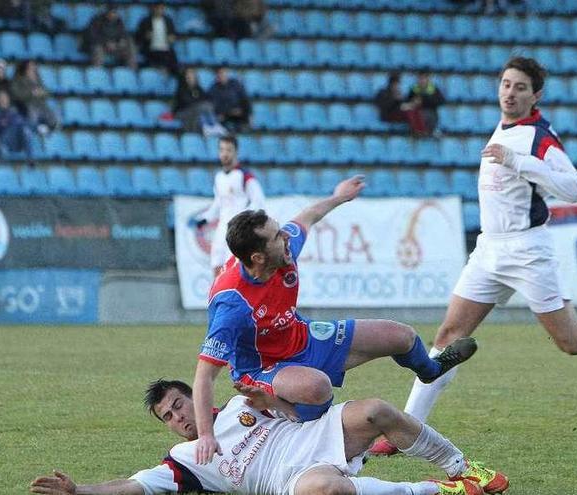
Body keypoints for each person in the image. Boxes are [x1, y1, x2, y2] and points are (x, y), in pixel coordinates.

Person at [369, 57, 577, 456]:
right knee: (449, 336)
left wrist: (520, 162)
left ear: (536, 95)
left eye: (519, 87)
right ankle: (408, 432)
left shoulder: (539, 137)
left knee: (573, 341)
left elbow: (571, 188)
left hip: (527, 250)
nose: (510, 92)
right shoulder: (504, 126)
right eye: (505, 84)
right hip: (489, 249)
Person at [193, 175, 478, 465]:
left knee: (402, 337)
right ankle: (281, 412)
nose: (286, 236)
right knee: (317, 389)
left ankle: (430, 370)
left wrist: (339, 196)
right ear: (258, 257)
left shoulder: (284, 252)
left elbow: (308, 216)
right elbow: (205, 375)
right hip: (263, 367)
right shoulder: (232, 303)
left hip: (302, 336)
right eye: (277, 236)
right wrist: (206, 435)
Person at [29, 379, 508, 495]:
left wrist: (271, 398)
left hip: (323, 434)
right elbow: (133, 486)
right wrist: (81, 491)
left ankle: (464, 470)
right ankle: (438, 491)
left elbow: (306, 406)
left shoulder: (241, 401)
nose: (177, 417)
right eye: (168, 417)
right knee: (324, 489)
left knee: (379, 409)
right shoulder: (183, 459)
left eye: (179, 404)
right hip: (296, 477)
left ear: (195, 396)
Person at [195, 135, 266, 278]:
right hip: (222, 227)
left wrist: (244, 220)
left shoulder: (245, 176)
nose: (225, 154)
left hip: (238, 231)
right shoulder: (219, 177)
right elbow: (218, 204)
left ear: (236, 152)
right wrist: (205, 218)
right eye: (222, 150)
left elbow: (258, 201)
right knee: (216, 264)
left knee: (234, 266)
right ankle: (219, 298)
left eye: (229, 150)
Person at [10, 60, 59, 134]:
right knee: (32, 117)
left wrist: (43, 93)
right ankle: (36, 131)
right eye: (30, 67)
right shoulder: (18, 79)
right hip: (27, 104)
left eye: (34, 66)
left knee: (54, 118)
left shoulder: (38, 79)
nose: (33, 68)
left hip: (41, 104)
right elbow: (16, 94)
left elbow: (46, 92)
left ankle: (45, 130)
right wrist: (32, 93)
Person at [375, 72, 428, 137]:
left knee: (414, 110)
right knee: (409, 112)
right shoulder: (383, 92)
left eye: (398, 84)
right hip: (387, 115)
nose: (397, 86)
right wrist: (395, 100)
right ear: (391, 84)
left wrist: (409, 103)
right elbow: (385, 106)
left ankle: (422, 130)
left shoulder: (398, 93)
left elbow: (402, 104)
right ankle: (417, 131)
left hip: (398, 113)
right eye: (395, 84)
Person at [0, 89, 34, 162]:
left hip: (15, 140)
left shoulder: (13, 110)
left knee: (26, 130)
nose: (2, 100)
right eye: (0, 98)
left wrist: (8, 122)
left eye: (4, 98)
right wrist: (9, 122)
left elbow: (21, 121)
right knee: (2, 149)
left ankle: (30, 159)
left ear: (8, 99)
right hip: (1, 141)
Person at [135, 3, 179, 75]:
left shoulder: (168, 21)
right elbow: (138, 37)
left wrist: (172, 38)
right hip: (150, 49)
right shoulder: (145, 21)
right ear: (154, 9)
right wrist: (145, 37)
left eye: (162, 9)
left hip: (166, 49)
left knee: (174, 65)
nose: (160, 11)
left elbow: (174, 35)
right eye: (158, 9)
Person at [207, 67, 252, 132]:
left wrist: (249, 113)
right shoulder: (213, 90)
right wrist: (230, 112)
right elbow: (216, 107)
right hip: (225, 118)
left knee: (245, 127)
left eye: (224, 73)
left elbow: (245, 100)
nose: (223, 75)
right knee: (229, 128)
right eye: (220, 74)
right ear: (216, 76)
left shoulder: (236, 84)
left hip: (240, 116)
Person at [408, 71, 445, 136]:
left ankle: (427, 131)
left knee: (425, 114)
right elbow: (408, 101)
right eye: (420, 78)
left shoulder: (434, 89)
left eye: (423, 78)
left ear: (427, 79)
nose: (422, 81)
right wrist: (413, 102)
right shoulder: (413, 90)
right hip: (417, 113)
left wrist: (424, 100)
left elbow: (441, 101)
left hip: (431, 114)